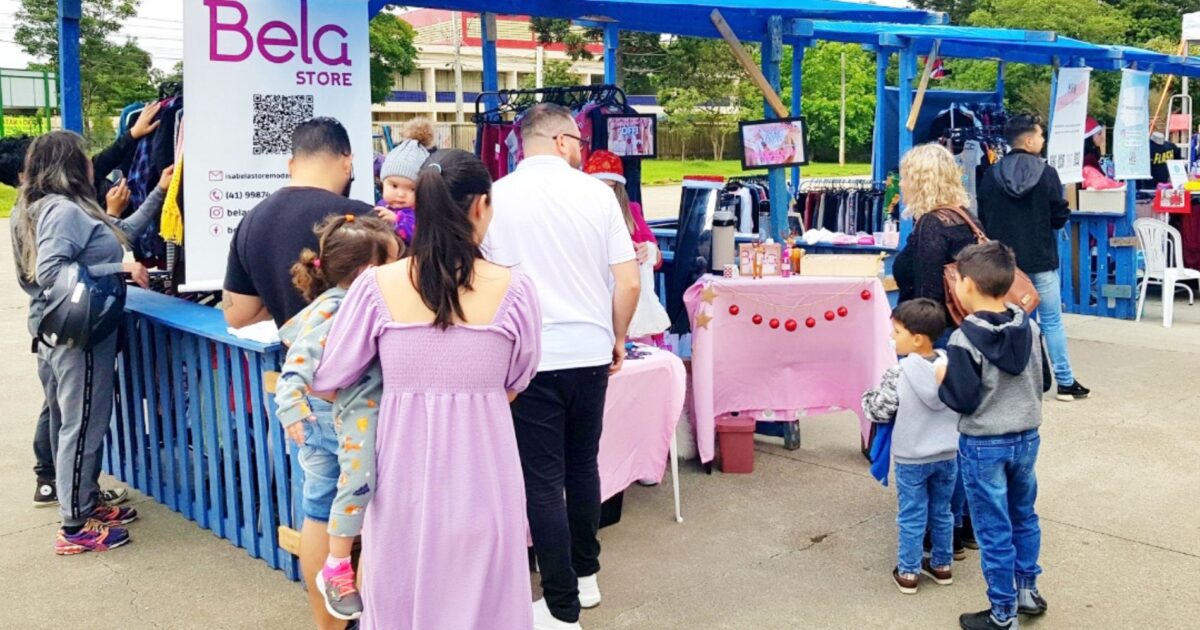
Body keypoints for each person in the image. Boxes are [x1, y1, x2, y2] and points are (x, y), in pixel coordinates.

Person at [312, 149, 541, 628]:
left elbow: (330, 379)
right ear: (480, 205)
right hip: (487, 480)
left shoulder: (375, 287)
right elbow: (516, 382)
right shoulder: (516, 290)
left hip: (400, 483)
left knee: (402, 601)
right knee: (488, 607)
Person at [484, 103, 640, 630]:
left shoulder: (495, 198)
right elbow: (630, 280)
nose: (581, 147)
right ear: (557, 140)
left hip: (528, 357)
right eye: (577, 138)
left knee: (544, 481)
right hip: (591, 352)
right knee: (582, 465)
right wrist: (617, 337)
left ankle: (559, 603)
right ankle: (584, 578)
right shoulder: (597, 195)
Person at [11, 131, 171, 553]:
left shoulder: (44, 207)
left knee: (78, 423)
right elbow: (50, 272)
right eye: (82, 157)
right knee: (80, 426)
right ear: (69, 165)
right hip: (76, 337)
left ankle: (84, 501)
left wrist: (158, 191)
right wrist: (118, 266)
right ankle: (74, 527)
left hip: (64, 332)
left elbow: (121, 232)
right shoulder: (62, 212)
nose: (89, 163)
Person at [275, 214, 400, 623]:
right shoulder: (342, 306)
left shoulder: (332, 302)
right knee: (359, 485)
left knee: (318, 506)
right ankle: (339, 568)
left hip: (320, 421)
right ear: (368, 272)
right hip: (341, 420)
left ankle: (330, 603)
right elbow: (299, 359)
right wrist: (291, 402)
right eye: (392, 265)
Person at [937, 241, 1052, 630]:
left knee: (993, 528)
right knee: (1024, 515)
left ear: (966, 285)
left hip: (984, 443)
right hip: (1026, 438)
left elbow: (963, 399)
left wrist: (943, 379)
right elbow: (1046, 381)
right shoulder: (1031, 327)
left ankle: (1002, 613)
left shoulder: (962, 339)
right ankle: (1027, 591)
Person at [977, 114, 1089, 402]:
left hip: (1003, 263)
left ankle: (1006, 382)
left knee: (1005, 320)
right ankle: (1065, 381)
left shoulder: (991, 174)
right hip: (1041, 258)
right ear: (1028, 140)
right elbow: (1059, 214)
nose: (1042, 141)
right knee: (1051, 320)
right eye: (1040, 136)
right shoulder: (1047, 173)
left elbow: (984, 217)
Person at [224, 117, 374, 329]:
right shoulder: (367, 219)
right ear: (347, 162)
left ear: (290, 165)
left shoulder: (250, 221)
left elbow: (238, 316)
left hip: (296, 359)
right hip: (364, 359)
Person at [862, 298, 960, 595]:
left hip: (911, 457)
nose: (892, 338)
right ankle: (942, 565)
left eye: (896, 333)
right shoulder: (950, 364)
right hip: (947, 454)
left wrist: (867, 397)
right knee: (943, 511)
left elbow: (880, 410)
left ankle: (908, 571)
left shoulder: (899, 372)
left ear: (916, 339)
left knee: (912, 513)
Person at [583, 149, 669, 342]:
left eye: (610, 187)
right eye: (599, 187)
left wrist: (649, 251)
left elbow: (657, 260)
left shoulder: (632, 212)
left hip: (633, 313)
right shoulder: (579, 216)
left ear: (618, 189)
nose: (604, 193)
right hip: (595, 306)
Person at [892, 144, 978, 336]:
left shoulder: (931, 224)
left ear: (921, 182)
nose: (901, 184)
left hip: (932, 332)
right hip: (963, 323)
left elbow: (928, 293)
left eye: (905, 177)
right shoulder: (965, 216)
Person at [374, 119, 436, 244]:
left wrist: (396, 221)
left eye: (412, 189)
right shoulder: (381, 205)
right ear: (383, 182)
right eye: (394, 186)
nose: (401, 194)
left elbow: (419, 236)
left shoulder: (421, 212)